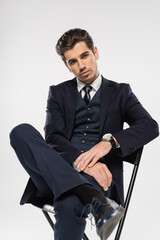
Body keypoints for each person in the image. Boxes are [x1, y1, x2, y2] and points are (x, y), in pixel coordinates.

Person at [10, 28, 159, 240]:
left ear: (95, 52)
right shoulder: (58, 93)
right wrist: (83, 164)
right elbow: (53, 137)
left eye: (84, 56)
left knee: (70, 201)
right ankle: (91, 198)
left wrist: (109, 142)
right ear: (67, 66)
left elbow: (150, 126)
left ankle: (88, 195)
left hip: (101, 179)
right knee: (20, 131)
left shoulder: (120, 92)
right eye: (72, 61)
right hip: (56, 174)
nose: (81, 66)